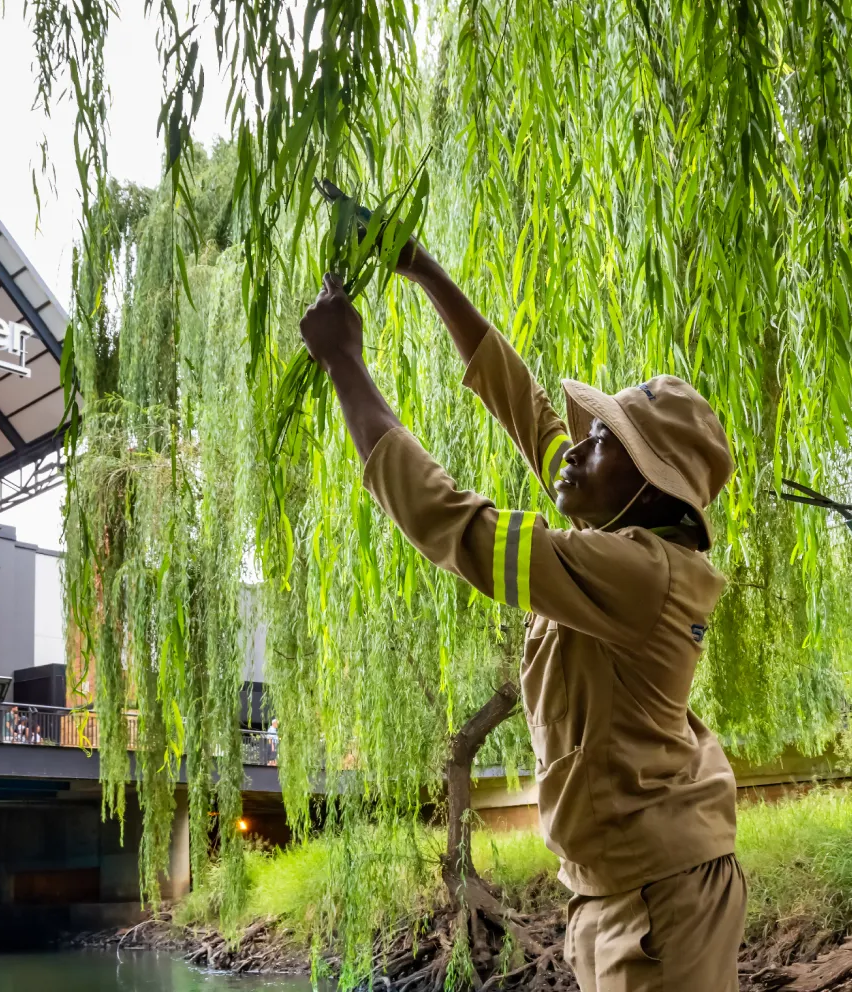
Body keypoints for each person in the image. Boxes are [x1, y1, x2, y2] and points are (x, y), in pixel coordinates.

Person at [297, 239, 743, 992]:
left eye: (602, 442)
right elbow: (527, 410)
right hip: (617, 887)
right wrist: (423, 268)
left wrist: (346, 364)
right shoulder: (619, 533)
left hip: (659, 896)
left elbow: (456, 526)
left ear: (651, 488)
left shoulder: (639, 572)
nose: (575, 449)